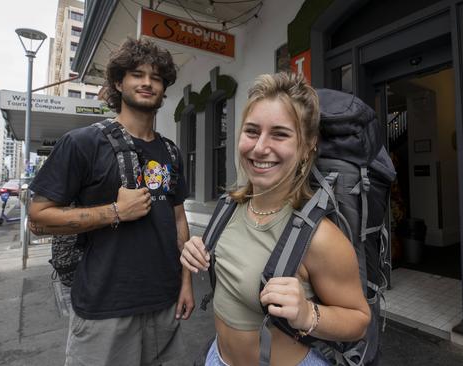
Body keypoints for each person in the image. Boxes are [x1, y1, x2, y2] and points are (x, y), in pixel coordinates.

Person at [180, 73, 370, 366]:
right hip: (217, 358)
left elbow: (359, 320)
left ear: (307, 147)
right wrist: (196, 251)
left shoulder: (320, 237)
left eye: (279, 134)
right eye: (252, 131)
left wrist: (308, 314)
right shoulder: (228, 206)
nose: (259, 148)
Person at [28, 38, 194, 366]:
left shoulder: (171, 151)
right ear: (119, 82)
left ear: (163, 88)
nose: (147, 82)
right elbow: (37, 218)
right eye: (137, 74)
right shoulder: (83, 143)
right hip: (105, 308)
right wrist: (115, 212)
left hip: (164, 303)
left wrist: (187, 283)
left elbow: (178, 220)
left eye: (156, 77)